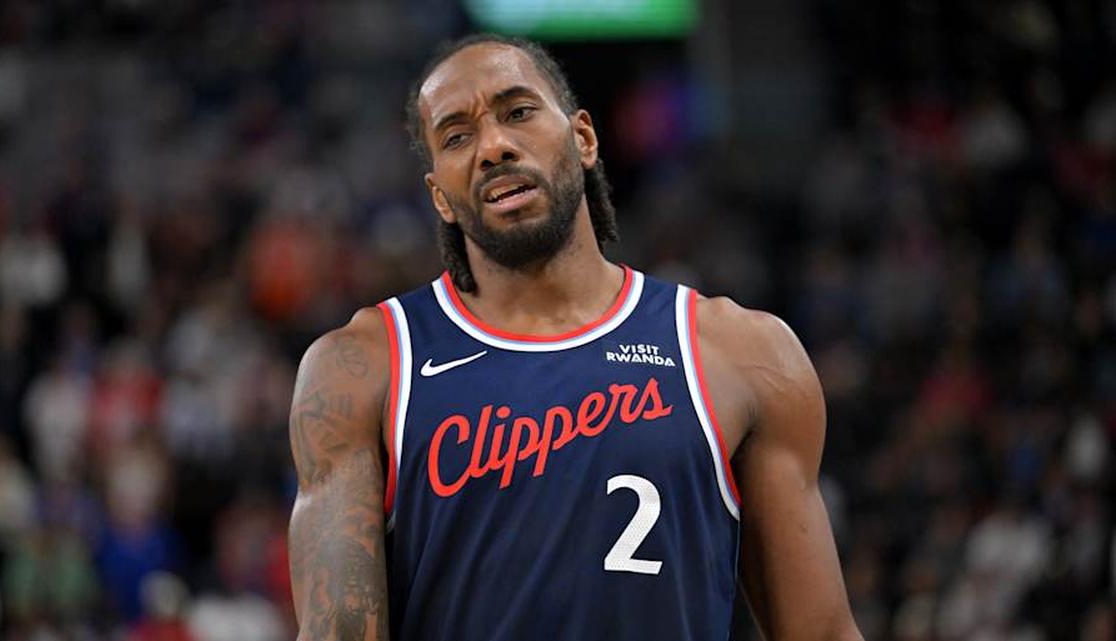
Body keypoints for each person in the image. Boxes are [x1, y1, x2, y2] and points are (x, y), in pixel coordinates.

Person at [287, 33, 863, 641]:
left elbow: (820, 630)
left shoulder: (741, 352)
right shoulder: (364, 365)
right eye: (456, 137)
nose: (493, 147)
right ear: (441, 198)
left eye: (518, 112)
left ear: (583, 138)